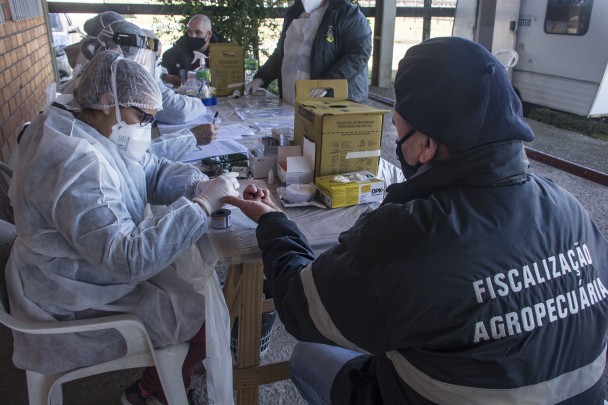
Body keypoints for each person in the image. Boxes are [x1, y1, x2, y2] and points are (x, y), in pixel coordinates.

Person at [226, 37, 608, 404]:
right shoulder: (568, 205)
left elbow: (299, 306)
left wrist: (273, 221)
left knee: (308, 355)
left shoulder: (410, 232)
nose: (396, 141)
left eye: (397, 129)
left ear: (426, 145)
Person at [5, 50, 239, 405]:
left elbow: (146, 168)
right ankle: (149, 392)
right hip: (70, 294)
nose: (144, 126)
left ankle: (161, 383)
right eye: (141, 117)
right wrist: (202, 206)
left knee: (188, 289)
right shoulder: (73, 162)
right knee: (203, 320)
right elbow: (128, 258)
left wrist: (194, 184)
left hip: (80, 265)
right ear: (107, 101)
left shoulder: (82, 122)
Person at [60, 20, 217, 162]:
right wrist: (190, 138)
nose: (142, 71)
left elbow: (138, 164)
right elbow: (133, 159)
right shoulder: (81, 153)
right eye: (140, 116)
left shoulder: (94, 87)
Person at [244, 0, 372, 105]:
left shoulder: (347, 15)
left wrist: (328, 83)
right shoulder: (293, 14)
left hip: (332, 103)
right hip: (291, 99)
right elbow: (281, 53)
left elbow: (359, 54)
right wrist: (261, 78)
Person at [161, 14, 228, 77]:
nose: (193, 36)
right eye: (190, 32)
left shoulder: (225, 53)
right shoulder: (173, 54)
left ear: (209, 34)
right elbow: (162, 77)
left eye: (198, 32)